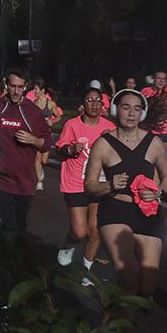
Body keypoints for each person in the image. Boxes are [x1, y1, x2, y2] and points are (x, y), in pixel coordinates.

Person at [84, 90, 167, 296]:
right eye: (126, 107)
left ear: (142, 114)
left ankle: (120, 305)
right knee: (129, 273)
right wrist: (109, 185)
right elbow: (89, 185)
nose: (131, 113)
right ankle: (118, 324)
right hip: (115, 210)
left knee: (147, 286)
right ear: (116, 110)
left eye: (137, 109)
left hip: (147, 213)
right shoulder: (103, 144)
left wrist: (158, 191)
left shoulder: (154, 143)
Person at [0, 70, 51, 236]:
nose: (16, 91)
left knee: (19, 228)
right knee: (6, 227)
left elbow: (46, 142)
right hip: (0, 177)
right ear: (6, 84)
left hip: (24, 181)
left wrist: (33, 140)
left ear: (26, 87)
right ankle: (0, 257)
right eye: (13, 86)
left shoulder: (33, 112)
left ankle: (14, 259)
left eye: (20, 87)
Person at [55, 87, 113, 280]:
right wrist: (71, 149)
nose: (94, 104)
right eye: (90, 100)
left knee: (95, 230)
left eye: (98, 101)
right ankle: (70, 242)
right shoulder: (72, 125)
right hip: (75, 184)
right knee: (80, 232)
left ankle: (86, 272)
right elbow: (59, 150)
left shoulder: (109, 128)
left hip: (98, 183)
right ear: (83, 104)